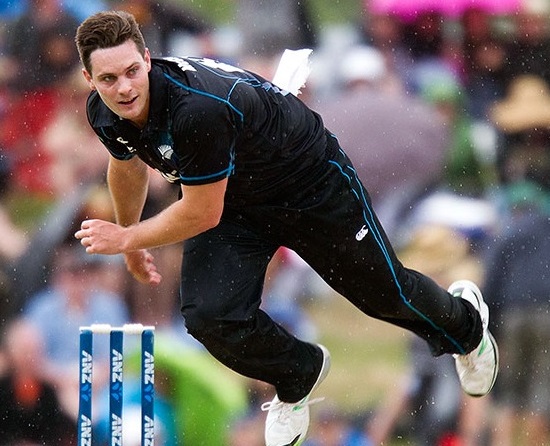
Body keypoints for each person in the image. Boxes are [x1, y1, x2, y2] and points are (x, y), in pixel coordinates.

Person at [73, 11, 498, 446]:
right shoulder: (105, 112)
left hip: (309, 184)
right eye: (108, 79)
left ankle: (466, 327)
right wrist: (129, 238)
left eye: (132, 71)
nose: (124, 88)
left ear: (147, 58)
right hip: (237, 202)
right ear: (89, 79)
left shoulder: (195, 109)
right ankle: (298, 374)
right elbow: (126, 165)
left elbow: (200, 213)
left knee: (383, 295)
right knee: (209, 317)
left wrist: (127, 237)